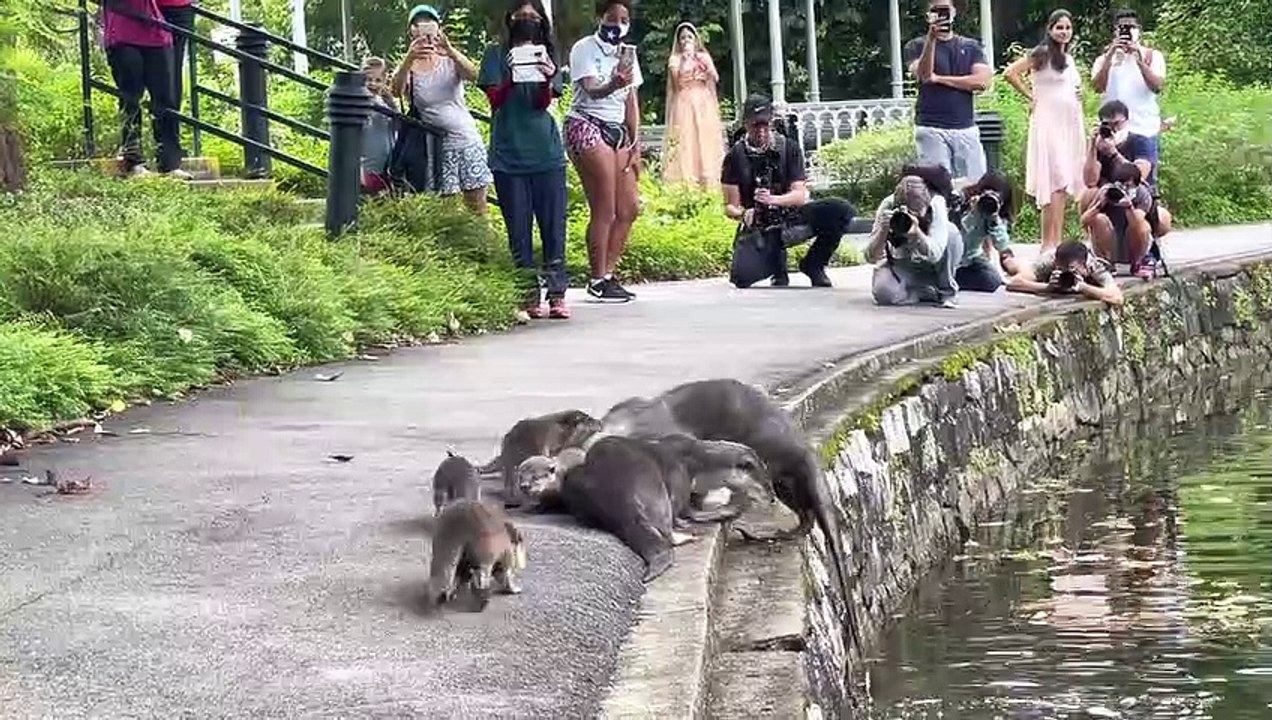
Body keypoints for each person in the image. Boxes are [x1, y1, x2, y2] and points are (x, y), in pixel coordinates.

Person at [478, 0, 572, 320]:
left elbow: (544, 101)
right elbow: (494, 100)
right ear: (510, 18)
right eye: (522, 16)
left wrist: (546, 76)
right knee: (518, 229)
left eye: (534, 17)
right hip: (509, 155)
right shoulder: (495, 54)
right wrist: (511, 76)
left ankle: (557, 293)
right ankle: (527, 292)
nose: (527, 21)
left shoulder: (549, 53)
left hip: (546, 152)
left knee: (553, 226)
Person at [721, 94, 855, 289]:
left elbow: (800, 196)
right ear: (746, 124)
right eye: (755, 125)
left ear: (772, 122)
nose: (761, 131)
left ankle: (814, 264)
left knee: (840, 210)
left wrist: (773, 200)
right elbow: (730, 206)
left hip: (791, 214)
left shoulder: (788, 148)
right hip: (760, 224)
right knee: (742, 278)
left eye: (765, 125)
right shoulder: (735, 156)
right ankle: (777, 269)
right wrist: (743, 213)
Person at [565, 0, 644, 303]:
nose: (618, 24)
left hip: (617, 130)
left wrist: (635, 142)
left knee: (629, 208)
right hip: (587, 123)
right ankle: (597, 278)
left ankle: (608, 275)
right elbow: (590, 88)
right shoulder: (584, 48)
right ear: (600, 17)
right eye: (612, 18)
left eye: (624, 19)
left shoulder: (628, 54)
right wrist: (613, 83)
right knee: (605, 208)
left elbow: (631, 101)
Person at [391, 4, 492, 213]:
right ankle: (455, 245)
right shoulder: (409, 65)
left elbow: (475, 76)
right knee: (447, 208)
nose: (425, 29)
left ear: (439, 27)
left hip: (466, 138)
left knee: (477, 205)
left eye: (430, 23)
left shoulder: (449, 58)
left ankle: (482, 244)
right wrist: (409, 58)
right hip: (436, 145)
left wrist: (451, 51)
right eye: (419, 24)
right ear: (412, 30)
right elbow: (396, 91)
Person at [1004, 9, 1086, 252]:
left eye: (1068, 28)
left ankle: (1054, 241)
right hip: (1048, 123)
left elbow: (1073, 88)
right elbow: (1010, 73)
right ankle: (1048, 243)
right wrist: (1031, 95)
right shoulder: (1041, 54)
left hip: (1068, 123)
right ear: (1050, 29)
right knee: (1055, 179)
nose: (1064, 32)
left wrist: (1080, 95)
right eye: (1059, 27)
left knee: (1063, 183)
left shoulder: (1068, 59)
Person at [1080, 101, 1174, 276]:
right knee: (1089, 193)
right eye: (1108, 125)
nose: (1113, 130)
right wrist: (1093, 146)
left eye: (1117, 124)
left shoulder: (1139, 140)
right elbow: (1089, 180)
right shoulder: (1099, 143)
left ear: (1127, 121)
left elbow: (1139, 175)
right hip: (1107, 201)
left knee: (1159, 219)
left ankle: (1141, 256)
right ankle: (1104, 257)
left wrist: (1114, 153)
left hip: (1137, 200)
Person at [904, 0, 992, 181]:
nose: (941, 14)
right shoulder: (916, 45)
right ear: (928, 15)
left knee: (976, 184)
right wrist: (931, 39)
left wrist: (941, 79)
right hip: (930, 127)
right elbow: (923, 75)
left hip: (965, 126)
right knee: (939, 187)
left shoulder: (971, 46)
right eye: (935, 10)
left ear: (954, 12)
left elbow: (982, 82)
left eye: (945, 10)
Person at [101, 0, 188, 179]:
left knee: (165, 98)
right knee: (131, 97)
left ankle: (169, 163)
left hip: (155, 30)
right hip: (123, 31)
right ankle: (134, 161)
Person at [866, 169, 963, 308]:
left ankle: (947, 292)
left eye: (918, 212)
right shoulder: (888, 205)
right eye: (909, 212)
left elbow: (935, 254)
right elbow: (870, 257)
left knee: (951, 232)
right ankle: (923, 293)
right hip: (903, 263)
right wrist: (883, 231)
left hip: (934, 267)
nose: (913, 217)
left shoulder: (937, 203)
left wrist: (917, 232)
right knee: (883, 293)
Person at [1092, 8, 1166, 188]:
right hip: (1114, 131)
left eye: (1131, 27)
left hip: (1144, 128)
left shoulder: (1152, 56)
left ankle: (1145, 215)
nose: (1126, 31)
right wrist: (1111, 55)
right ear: (1115, 31)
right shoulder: (1104, 59)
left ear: (1138, 30)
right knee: (1108, 183)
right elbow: (1097, 86)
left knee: (1144, 186)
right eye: (1122, 28)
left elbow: (1157, 86)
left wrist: (1139, 60)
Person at [661, 22, 726, 191]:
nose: (685, 40)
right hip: (684, 100)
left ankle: (708, 178)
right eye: (682, 38)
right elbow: (676, 84)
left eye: (689, 37)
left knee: (704, 137)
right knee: (686, 137)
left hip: (703, 100)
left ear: (695, 39)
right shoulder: (675, 59)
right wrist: (684, 61)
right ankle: (687, 181)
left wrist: (703, 64)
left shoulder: (703, 56)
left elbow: (715, 77)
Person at [955, 170, 1020, 292]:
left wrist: (994, 219)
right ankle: (946, 279)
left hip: (971, 261)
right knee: (990, 279)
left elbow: (1002, 246)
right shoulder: (962, 201)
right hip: (953, 259)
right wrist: (973, 213)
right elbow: (963, 236)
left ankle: (948, 279)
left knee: (992, 279)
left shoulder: (994, 213)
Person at [1006, 239, 1124, 306]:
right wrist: (1047, 287)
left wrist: (1084, 288)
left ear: (1083, 266)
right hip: (1038, 265)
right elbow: (1013, 283)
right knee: (1016, 268)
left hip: (1085, 277)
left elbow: (1117, 298)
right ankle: (1008, 260)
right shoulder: (1050, 260)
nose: (1066, 272)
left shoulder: (1094, 266)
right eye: (1062, 268)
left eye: (1072, 269)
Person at [360, 57, 397, 195]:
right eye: (368, 80)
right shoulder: (358, 103)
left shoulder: (384, 101)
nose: (372, 84)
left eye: (378, 80)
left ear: (384, 81)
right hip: (367, 165)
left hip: (386, 162)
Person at [155, 0, 194, 114]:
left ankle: (170, 124)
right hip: (150, 9)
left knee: (172, 71)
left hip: (177, 9)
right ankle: (168, 123)